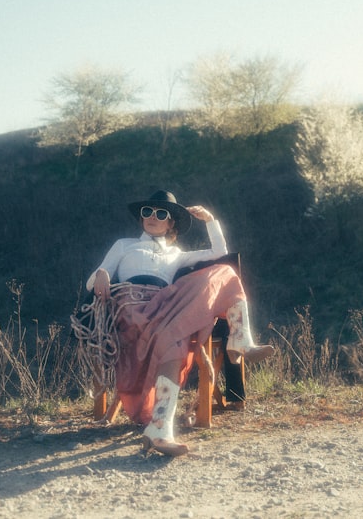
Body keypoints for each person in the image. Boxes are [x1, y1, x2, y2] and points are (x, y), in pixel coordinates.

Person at [85, 190, 273, 456]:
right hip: (132, 309)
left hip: (167, 306)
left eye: (161, 214)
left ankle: (161, 429)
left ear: (171, 223)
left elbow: (220, 253)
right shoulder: (124, 245)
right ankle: (160, 427)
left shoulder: (177, 254)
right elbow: (92, 282)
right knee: (171, 340)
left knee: (225, 272)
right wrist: (102, 274)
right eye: (147, 212)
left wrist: (210, 220)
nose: (153, 217)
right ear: (141, 217)